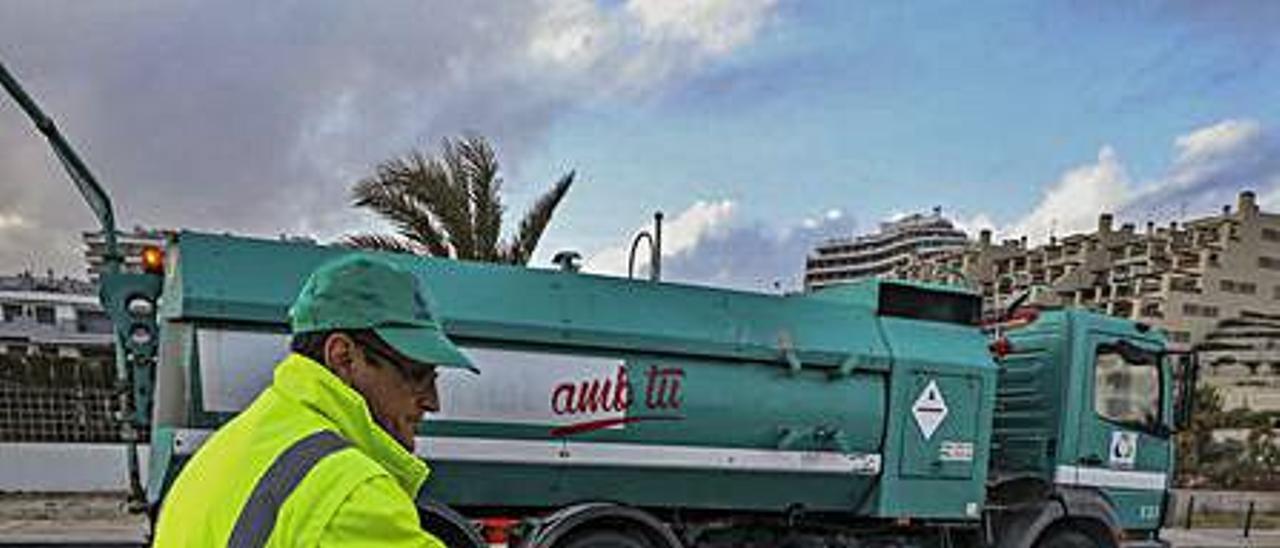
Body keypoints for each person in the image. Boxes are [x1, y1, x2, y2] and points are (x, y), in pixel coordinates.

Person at [153, 253, 477, 547]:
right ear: (343, 357)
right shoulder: (349, 496)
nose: (433, 402)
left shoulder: (229, 448)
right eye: (417, 375)